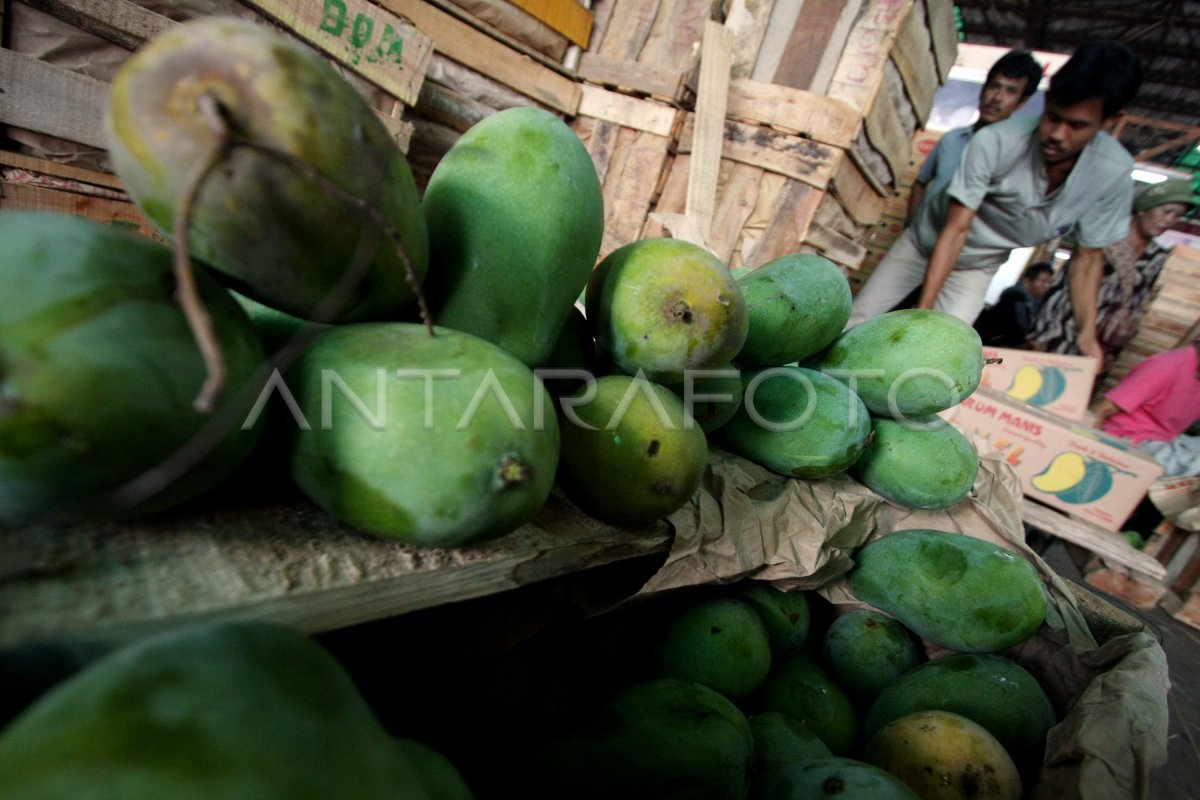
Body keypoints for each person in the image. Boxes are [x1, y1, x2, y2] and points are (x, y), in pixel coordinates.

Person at [846, 39, 1143, 352]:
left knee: (943, 352)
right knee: (859, 321)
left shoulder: (1113, 172)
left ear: (1110, 122)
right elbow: (956, 229)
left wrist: (1086, 334)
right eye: (1053, 117)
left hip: (978, 266)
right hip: (925, 244)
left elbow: (1088, 258)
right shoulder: (995, 142)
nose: (1057, 134)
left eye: (1077, 126)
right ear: (1046, 101)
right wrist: (922, 313)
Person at [1026, 178, 1199, 376]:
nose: (1170, 220)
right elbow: (1061, 289)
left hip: (1100, 353)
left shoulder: (1156, 258)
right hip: (1061, 337)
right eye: (1167, 211)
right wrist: (1040, 334)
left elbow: (1137, 302)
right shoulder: (1104, 240)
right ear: (1144, 209)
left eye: (1178, 215)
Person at [905, 50, 1044, 223]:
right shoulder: (952, 139)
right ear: (983, 90)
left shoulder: (1015, 157)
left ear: (1021, 102)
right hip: (918, 241)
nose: (997, 98)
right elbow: (920, 183)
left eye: (1010, 91)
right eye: (994, 86)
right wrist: (911, 225)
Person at [1091, 340, 1200, 477]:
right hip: (1130, 440)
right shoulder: (1167, 366)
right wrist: (1088, 452)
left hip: (1168, 440)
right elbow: (1101, 409)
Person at [972, 261, 1054, 347]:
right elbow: (1021, 329)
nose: (1046, 286)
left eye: (1049, 282)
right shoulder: (1016, 295)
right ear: (1028, 281)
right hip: (990, 343)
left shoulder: (1032, 300)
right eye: (1043, 282)